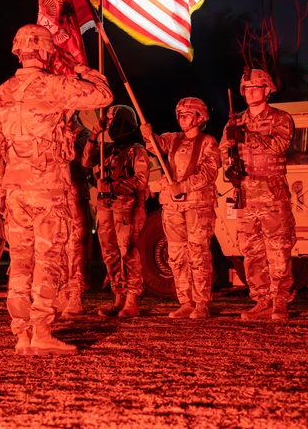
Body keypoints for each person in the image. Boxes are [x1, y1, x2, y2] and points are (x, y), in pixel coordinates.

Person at [0, 24, 112, 356]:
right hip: (48, 188)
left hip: (14, 190)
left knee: (21, 262)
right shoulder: (56, 86)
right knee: (48, 259)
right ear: (44, 51)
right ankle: (40, 331)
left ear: (18, 51)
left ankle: (21, 333)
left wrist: (0, 186)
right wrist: (80, 67)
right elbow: (104, 95)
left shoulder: (0, 93)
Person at [219, 69, 296, 321]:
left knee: (278, 248)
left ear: (267, 90)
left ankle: (280, 301)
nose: (251, 92)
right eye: (247, 89)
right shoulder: (234, 122)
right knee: (251, 250)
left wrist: (247, 137)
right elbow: (222, 152)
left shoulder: (280, 118)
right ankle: (261, 300)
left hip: (271, 191)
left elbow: (279, 145)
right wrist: (229, 169)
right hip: (245, 192)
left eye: (256, 88)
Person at [141, 98, 221, 319]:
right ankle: (185, 301)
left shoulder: (208, 142)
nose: (182, 118)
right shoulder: (173, 139)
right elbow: (156, 146)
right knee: (176, 255)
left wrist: (183, 186)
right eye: (180, 115)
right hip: (173, 207)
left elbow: (209, 173)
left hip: (198, 205)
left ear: (200, 117)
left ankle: (201, 303)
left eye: (187, 114)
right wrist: (148, 135)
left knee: (199, 254)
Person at [83, 105, 150, 318]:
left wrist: (113, 186)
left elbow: (140, 181)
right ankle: (118, 296)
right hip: (105, 206)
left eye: (112, 122)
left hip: (125, 207)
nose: (110, 125)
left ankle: (132, 299)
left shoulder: (136, 150)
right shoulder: (108, 149)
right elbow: (86, 161)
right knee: (109, 254)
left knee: (127, 252)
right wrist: (95, 134)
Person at [58, 112, 92, 317]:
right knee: (58, 245)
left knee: (76, 245)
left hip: (74, 193)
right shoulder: (53, 130)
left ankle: (75, 295)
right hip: (56, 194)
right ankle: (62, 291)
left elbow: (82, 162)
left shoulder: (83, 134)